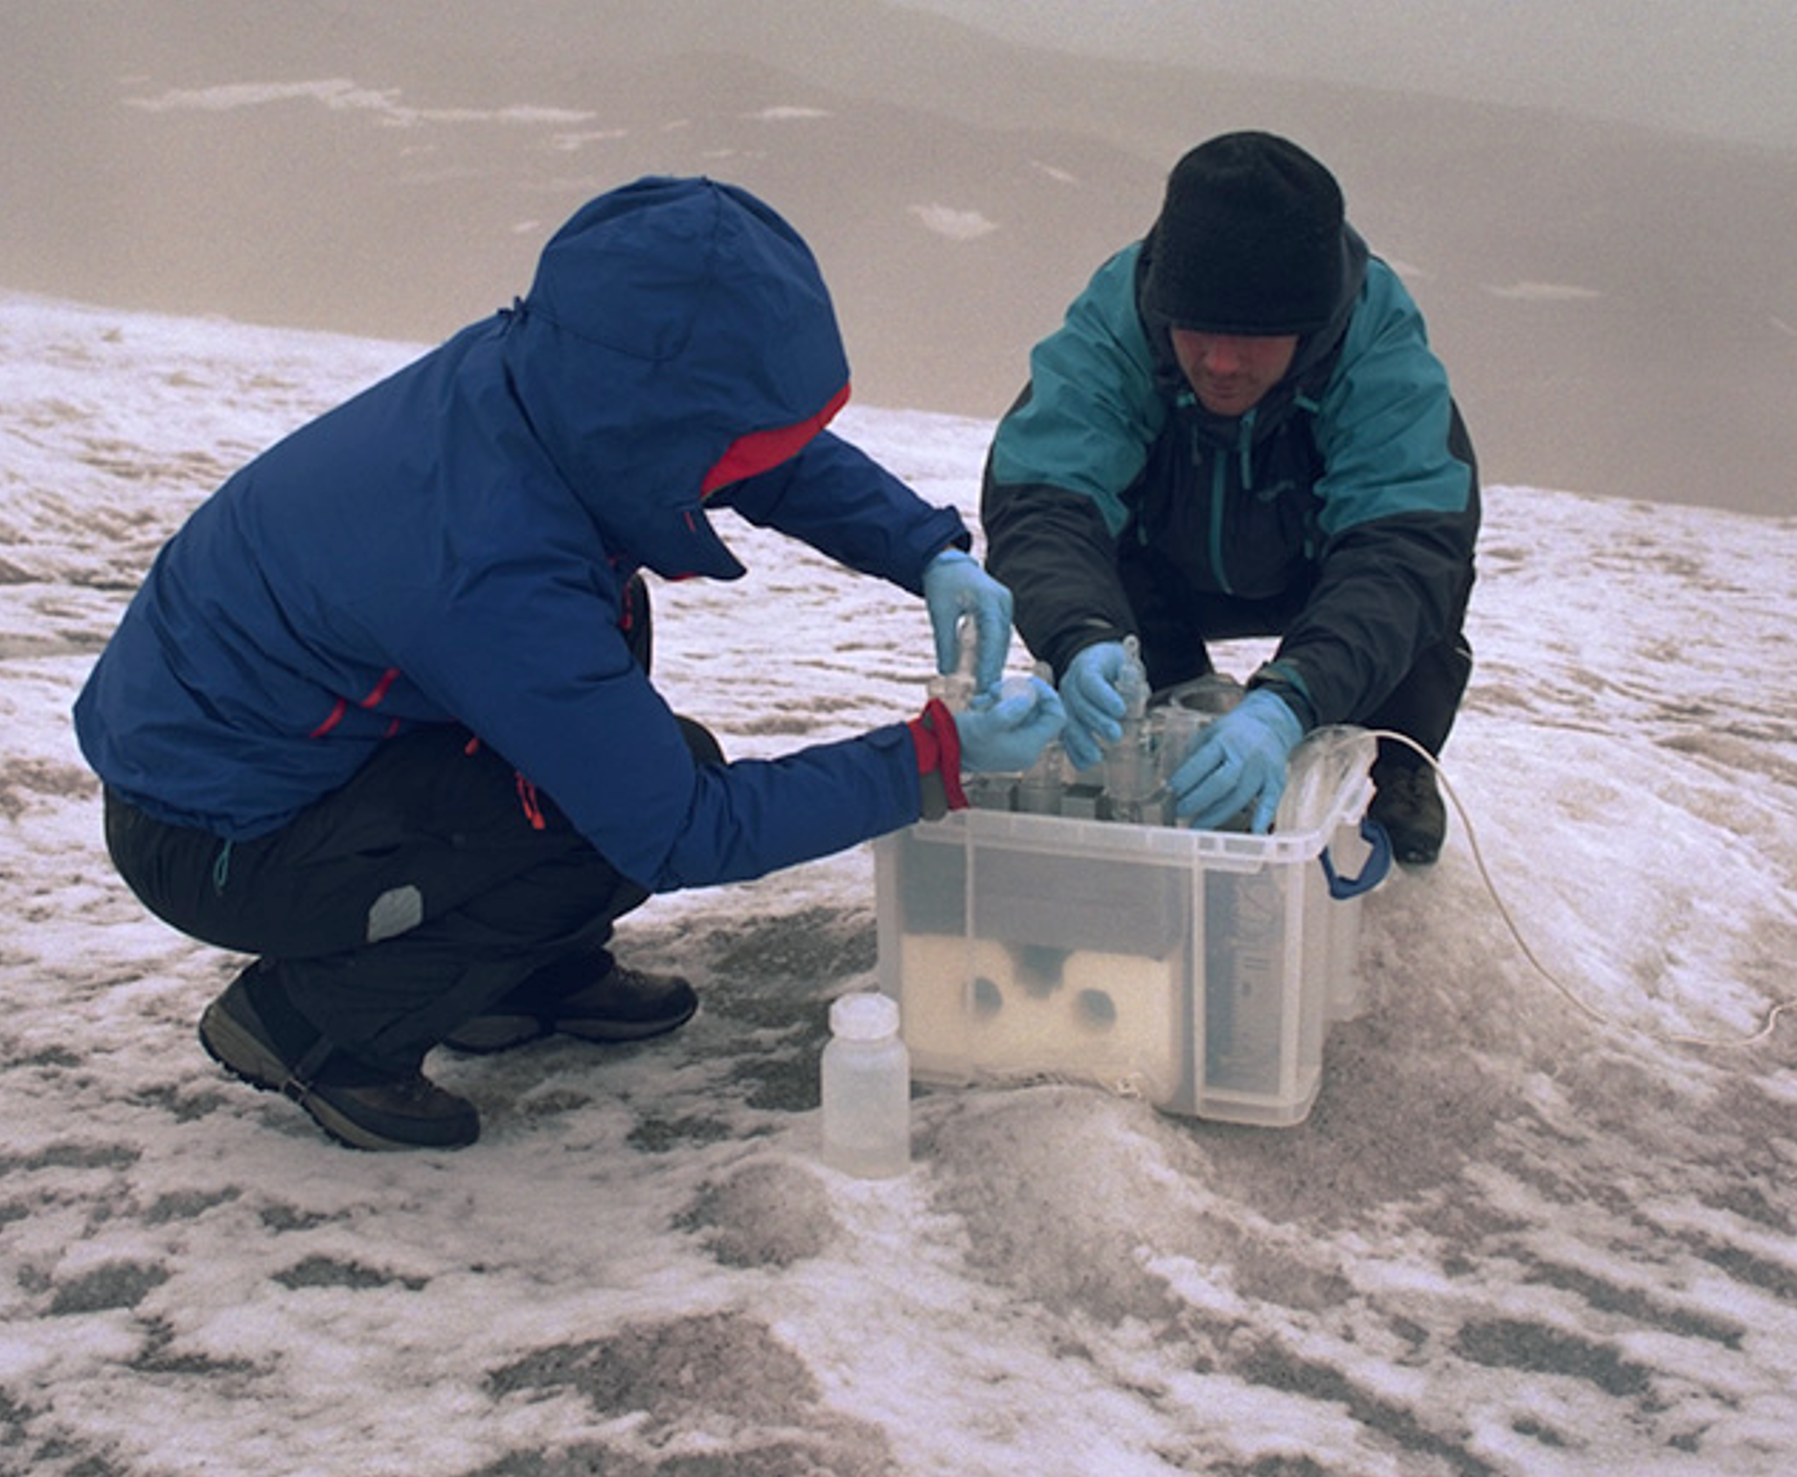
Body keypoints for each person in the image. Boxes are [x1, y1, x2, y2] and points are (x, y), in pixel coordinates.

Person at [77, 176, 1081, 1152]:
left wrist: (926, 550)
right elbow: (680, 832)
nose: (749, 461)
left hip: (298, 755)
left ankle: (508, 970)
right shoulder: (489, 557)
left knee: (633, 756)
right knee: (613, 804)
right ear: (656, 418)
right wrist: (931, 757)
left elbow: (746, 445)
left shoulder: (550, 380)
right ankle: (314, 1025)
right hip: (218, 833)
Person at [979, 131, 1485, 881]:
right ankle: (1160, 722)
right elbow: (1044, 499)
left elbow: (1400, 551)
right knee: (1110, 630)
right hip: (1165, 568)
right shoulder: (1118, 320)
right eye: (1197, 329)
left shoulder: (1376, 345)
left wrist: (1289, 700)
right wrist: (1080, 635)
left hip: (1318, 566)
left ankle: (1401, 762)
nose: (1218, 362)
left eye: (1250, 338)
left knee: (1423, 585)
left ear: (1310, 326)